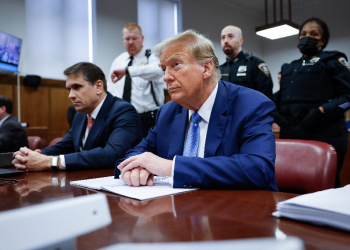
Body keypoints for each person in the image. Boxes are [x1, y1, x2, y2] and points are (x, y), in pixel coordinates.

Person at [116, 30, 278, 191]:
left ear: (206, 68)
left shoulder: (251, 105)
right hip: (178, 209)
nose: (166, 77)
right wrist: (136, 168)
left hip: (240, 209)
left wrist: (171, 167)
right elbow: (139, 152)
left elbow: (258, 169)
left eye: (176, 65)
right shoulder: (167, 112)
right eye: (164, 68)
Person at [13, 62, 143, 171]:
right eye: (69, 89)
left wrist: (51, 162)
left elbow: (112, 155)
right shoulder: (80, 115)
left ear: (98, 86)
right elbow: (65, 145)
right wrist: (32, 156)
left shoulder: (123, 111)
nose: (71, 95)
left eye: (77, 87)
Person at [274, 17, 350, 187]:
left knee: (324, 187)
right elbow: (280, 97)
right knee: (288, 184)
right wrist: (276, 114)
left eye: (313, 34)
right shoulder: (289, 67)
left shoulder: (333, 60)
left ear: (322, 41)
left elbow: (348, 96)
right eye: (303, 34)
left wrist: (322, 111)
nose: (307, 37)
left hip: (324, 133)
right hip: (291, 134)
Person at [108, 23, 165, 137]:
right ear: (123, 39)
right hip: (122, 119)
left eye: (134, 38)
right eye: (127, 39)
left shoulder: (151, 57)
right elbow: (111, 89)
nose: (130, 42)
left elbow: (158, 70)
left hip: (147, 119)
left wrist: (128, 71)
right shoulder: (118, 60)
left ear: (142, 38)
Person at [220, 25, 273, 100]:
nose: (225, 41)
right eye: (223, 38)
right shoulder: (219, 70)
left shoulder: (254, 64)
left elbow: (266, 96)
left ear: (240, 41)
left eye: (230, 36)